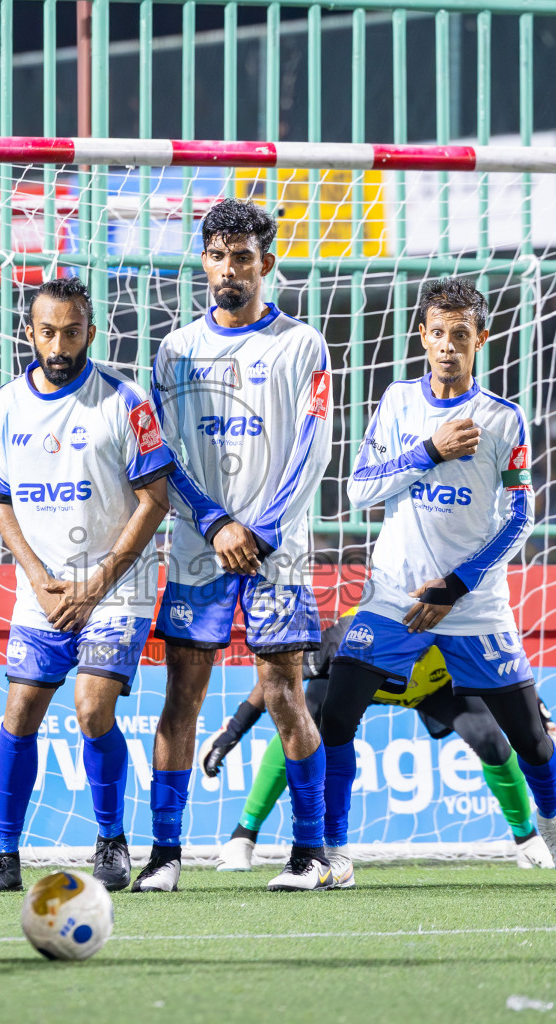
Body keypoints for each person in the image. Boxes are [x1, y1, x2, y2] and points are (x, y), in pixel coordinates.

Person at [317, 276, 556, 885]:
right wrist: (426, 453)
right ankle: (334, 851)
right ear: (422, 336)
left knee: (531, 740)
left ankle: (551, 819)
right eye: (437, 333)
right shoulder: (395, 402)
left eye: (459, 335)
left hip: (473, 604)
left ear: (480, 340)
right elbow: (359, 489)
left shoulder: (504, 419)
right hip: (393, 594)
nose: (446, 346)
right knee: (335, 717)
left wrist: (458, 585)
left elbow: (520, 516)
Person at [142, 198, 335, 892]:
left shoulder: (302, 344)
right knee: (181, 698)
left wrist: (262, 528)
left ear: (266, 264)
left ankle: (308, 852)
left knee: (285, 695)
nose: (230, 269)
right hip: (200, 548)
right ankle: (165, 855)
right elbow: (163, 453)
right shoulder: (175, 349)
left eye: (243, 257)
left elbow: (313, 448)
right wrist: (216, 522)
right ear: (204, 261)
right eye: (219, 256)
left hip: (276, 552)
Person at [0, 276, 174, 892]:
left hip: (116, 587)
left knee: (90, 708)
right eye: (48, 331)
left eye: (73, 331)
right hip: (45, 587)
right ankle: (5, 858)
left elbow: (155, 499)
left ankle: (111, 840)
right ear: (29, 331)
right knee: (20, 710)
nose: (60, 344)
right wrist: (37, 575)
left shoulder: (124, 399)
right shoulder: (6, 404)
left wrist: (97, 582)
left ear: (90, 330)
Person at [203, 608, 556, 876]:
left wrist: (546, 725)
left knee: (491, 740)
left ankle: (527, 841)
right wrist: (234, 729)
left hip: (432, 688)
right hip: (368, 678)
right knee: (304, 720)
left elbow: (506, 672)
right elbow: (283, 681)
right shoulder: (354, 631)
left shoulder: (459, 627)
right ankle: (242, 839)